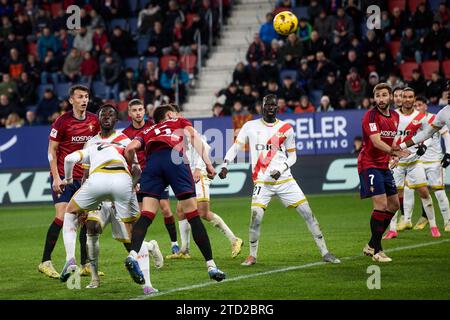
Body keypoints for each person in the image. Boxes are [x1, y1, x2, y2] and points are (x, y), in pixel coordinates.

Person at [219, 94, 340, 266]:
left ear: (277, 107)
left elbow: (293, 157)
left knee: (307, 213)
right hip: (262, 182)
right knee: (256, 217)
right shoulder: (250, 126)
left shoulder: (286, 128)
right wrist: (225, 165)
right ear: (262, 106)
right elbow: (236, 147)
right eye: (267, 105)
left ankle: (325, 251)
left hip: (285, 180)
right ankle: (252, 255)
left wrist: (281, 169)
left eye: (273, 105)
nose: (270, 107)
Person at [60, 104, 161, 294]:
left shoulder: (125, 139)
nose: (106, 116)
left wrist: (131, 185)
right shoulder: (90, 143)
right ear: (97, 119)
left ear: (116, 120)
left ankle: (147, 281)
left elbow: (137, 170)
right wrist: (85, 204)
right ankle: (94, 278)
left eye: (111, 114)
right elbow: (85, 175)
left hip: (120, 191)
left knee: (131, 241)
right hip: (98, 192)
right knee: (92, 228)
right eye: (103, 114)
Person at [124, 104, 226, 284]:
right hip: (175, 158)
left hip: (153, 165)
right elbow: (194, 136)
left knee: (146, 215)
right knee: (193, 215)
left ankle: (133, 255)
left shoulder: (148, 130)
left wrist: (132, 169)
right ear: (170, 114)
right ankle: (211, 266)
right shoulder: (178, 121)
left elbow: (130, 148)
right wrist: (209, 165)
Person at [38, 85, 100, 279]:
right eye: (80, 97)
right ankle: (45, 261)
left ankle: (84, 264)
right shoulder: (62, 122)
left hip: (85, 177)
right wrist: (56, 176)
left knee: (84, 218)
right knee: (63, 216)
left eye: (86, 97)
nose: (84, 100)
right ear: (71, 100)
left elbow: (97, 148)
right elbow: (52, 151)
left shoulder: (94, 121)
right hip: (64, 178)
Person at [358, 83, 409, 262]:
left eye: (384, 95)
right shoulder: (370, 116)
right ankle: (377, 251)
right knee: (380, 205)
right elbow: (377, 142)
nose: (381, 99)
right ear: (374, 98)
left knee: (394, 205)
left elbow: (389, 141)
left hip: (384, 164)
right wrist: (394, 152)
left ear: (390, 97)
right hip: (369, 164)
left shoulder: (395, 116)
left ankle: (372, 243)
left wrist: (395, 154)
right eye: (378, 95)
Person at [173, 129, 243, 259]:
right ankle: (184, 250)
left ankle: (234, 240)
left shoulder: (185, 130)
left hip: (199, 176)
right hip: (187, 176)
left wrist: (199, 168)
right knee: (181, 211)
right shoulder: (172, 133)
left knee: (203, 213)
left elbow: (205, 146)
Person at [122, 99, 181, 254]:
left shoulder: (153, 127)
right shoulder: (125, 135)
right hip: (138, 178)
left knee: (166, 210)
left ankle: (174, 244)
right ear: (129, 113)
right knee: (142, 216)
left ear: (144, 111)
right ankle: (142, 249)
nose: (138, 113)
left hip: (156, 174)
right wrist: (133, 180)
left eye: (140, 109)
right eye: (134, 110)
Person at [385, 88, 441, 240]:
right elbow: (389, 136)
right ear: (401, 98)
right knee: (393, 196)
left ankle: (434, 226)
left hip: (415, 161)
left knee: (423, 192)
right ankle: (392, 229)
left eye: (411, 97)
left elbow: (430, 134)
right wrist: (392, 152)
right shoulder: (393, 115)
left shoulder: (421, 117)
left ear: (414, 99)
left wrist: (425, 145)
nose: (408, 99)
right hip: (397, 161)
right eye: (405, 97)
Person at [397, 94, 450, 233]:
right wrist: (400, 148)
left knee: (438, 191)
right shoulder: (414, 121)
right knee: (409, 189)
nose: (418, 107)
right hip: (418, 160)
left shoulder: (434, 117)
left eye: (420, 105)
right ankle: (407, 219)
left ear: (426, 106)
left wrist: (448, 153)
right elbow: (418, 137)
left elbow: (445, 135)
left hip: (434, 161)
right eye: (416, 105)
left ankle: (447, 221)